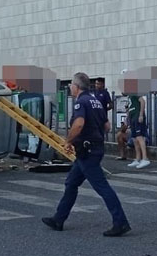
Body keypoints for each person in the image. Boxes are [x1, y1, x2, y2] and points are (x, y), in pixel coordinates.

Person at [42, 73, 131, 237]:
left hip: (87, 151)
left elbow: (79, 123)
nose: (70, 88)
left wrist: (69, 141)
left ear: (76, 86)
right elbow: (107, 126)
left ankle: (121, 222)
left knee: (102, 186)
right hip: (92, 149)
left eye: (71, 85)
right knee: (71, 183)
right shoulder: (95, 101)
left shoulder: (81, 102)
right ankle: (59, 219)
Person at [127, 85, 150, 169]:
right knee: (134, 138)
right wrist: (128, 117)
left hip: (137, 116)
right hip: (132, 116)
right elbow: (130, 106)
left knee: (139, 137)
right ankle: (138, 158)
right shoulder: (129, 94)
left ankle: (145, 158)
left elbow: (142, 101)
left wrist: (141, 115)